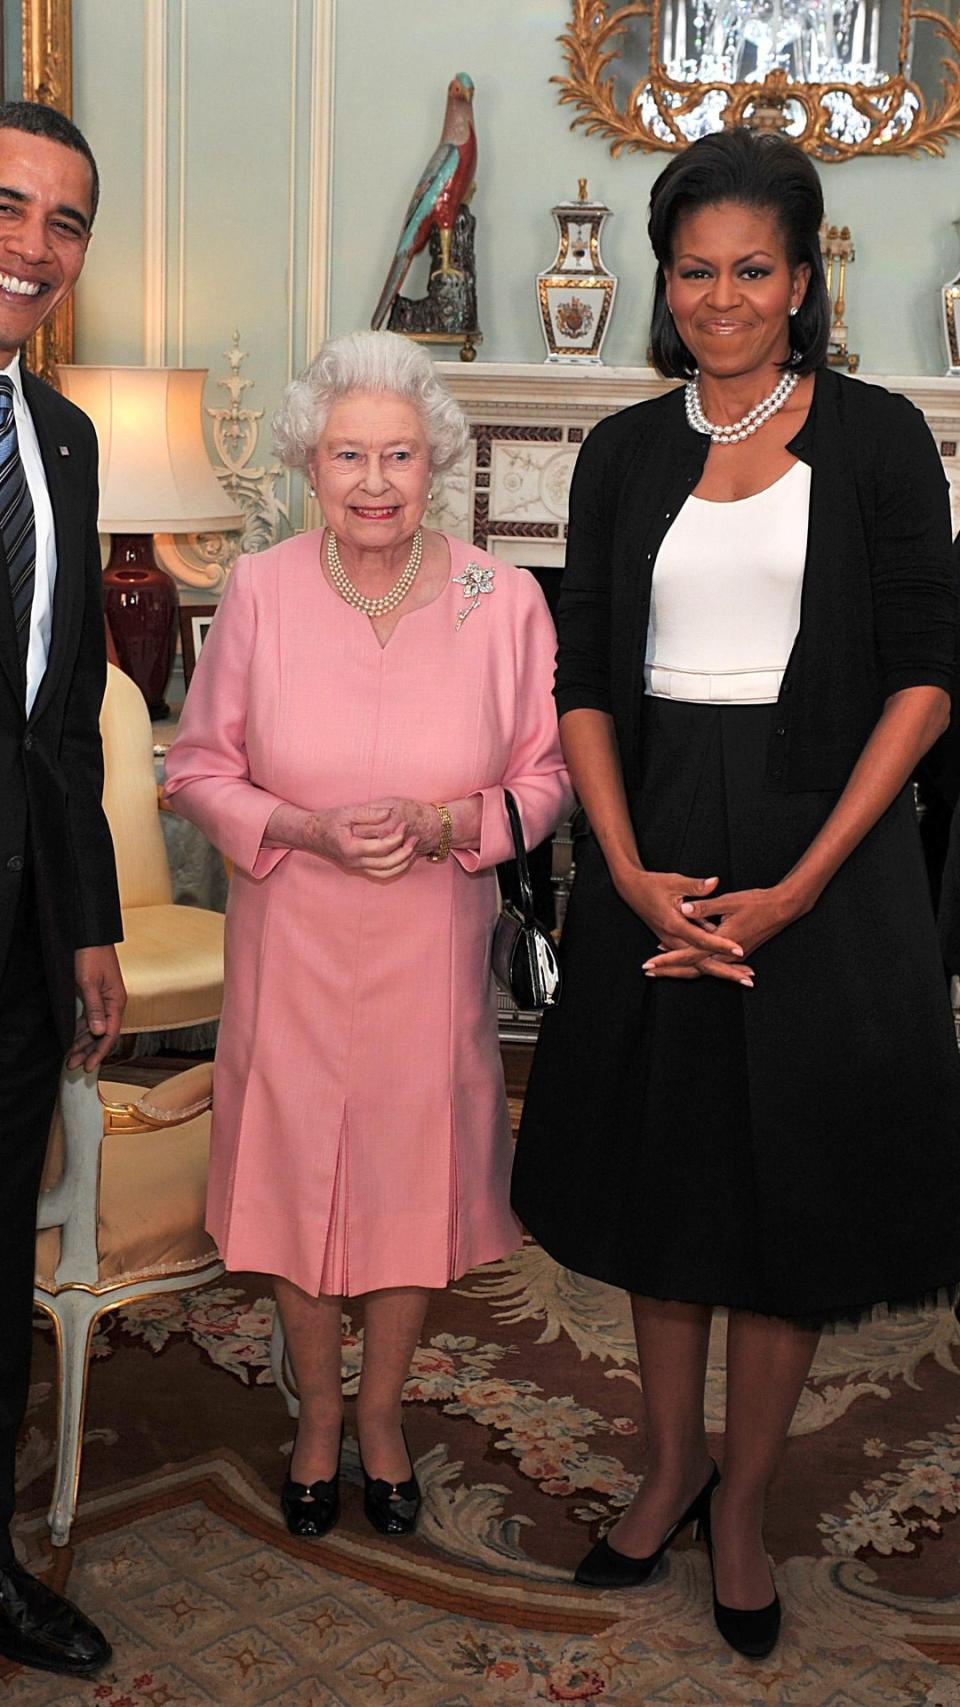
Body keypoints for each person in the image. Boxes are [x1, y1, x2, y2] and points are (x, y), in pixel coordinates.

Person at [512, 127, 960, 1660]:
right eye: (694, 270)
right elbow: (581, 676)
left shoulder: (885, 437)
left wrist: (805, 881)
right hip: (658, 849)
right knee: (666, 1185)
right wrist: (623, 868)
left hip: (826, 853)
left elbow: (924, 678)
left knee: (790, 1202)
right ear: (664, 278)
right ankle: (667, 1466)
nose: (720, 298)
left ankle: (748, 1500)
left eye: (751, 269)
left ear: (801, 276)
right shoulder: (624, 451)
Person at [165, 329, 571, 1544]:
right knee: (293, 1172)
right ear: (310, 464)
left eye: (400, 453)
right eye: (351, 454)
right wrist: (305, 827)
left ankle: (382, 1415)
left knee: (410, 1178)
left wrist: (454, 821)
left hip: (430, 949)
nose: (377, 479)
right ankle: (316, 1420)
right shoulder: (260, 590)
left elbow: (545, 782)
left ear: (435, 460)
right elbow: (196, 769)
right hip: (292, 934)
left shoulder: (505, 602)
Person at [0, 104, 125, 1678]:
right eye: (5, 204)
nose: (33, 244)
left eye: (66, 220)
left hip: (21, 945)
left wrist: (91, 920)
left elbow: (66, 703)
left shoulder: (66, 436)